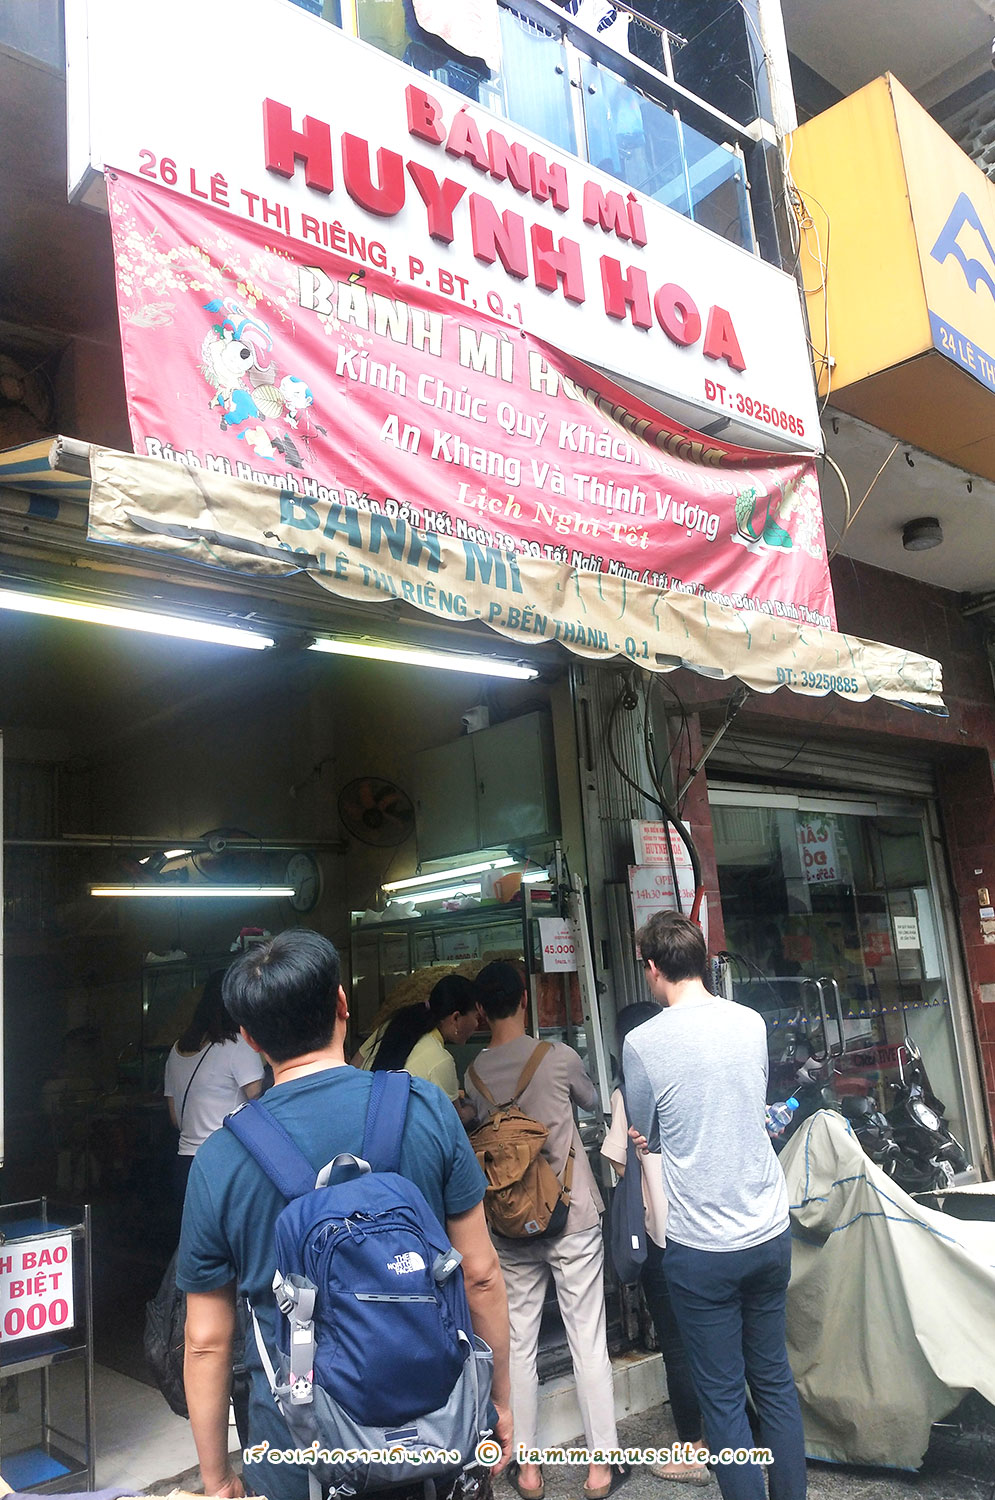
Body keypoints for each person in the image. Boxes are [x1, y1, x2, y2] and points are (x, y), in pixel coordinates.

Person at [177, 929, 511, 1500]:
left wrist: (217, 1479)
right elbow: (480, 1275)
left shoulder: (220, 1158)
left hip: (298, 1458)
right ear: (342, 1003)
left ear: (250, 1037)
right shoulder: (425, 1106)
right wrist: (497, 1402)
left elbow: (206, 1340)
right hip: (439, 1438)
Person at [624, 912, 807, 1500]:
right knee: (774, 1381)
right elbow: (749, 1098)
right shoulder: (749, 1022)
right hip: (768, 1230)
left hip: (701, 1245)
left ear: (654, 968)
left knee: (723, 1399)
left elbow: (647, 1128)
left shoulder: (641, 1042)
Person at [463, 961, 624, 1500]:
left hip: (509, 1226)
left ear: (480, 1010)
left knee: (518, 1347)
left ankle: (527, 1468)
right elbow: (593, 1101)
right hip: (569, 1217)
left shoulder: (474, 1074)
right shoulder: (558, 1057)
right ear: (525, 1001)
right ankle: (600, 1469)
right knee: (588, 1341)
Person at [601, 1002, 708, 1486]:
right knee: (716, 1334)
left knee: (678, 1345)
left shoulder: (629, 1093)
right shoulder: (694, 1078)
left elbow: (618, 1165)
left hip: (664, 1236)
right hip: (710, 1228)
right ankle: (734, 1433)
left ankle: (694, 1448)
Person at [163, 970, 264, 1225]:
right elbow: (260, 1106)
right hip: (225, 1163)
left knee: (196, 1241)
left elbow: (175, 1118)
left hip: (186, 1165)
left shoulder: (177, 1050)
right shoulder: (239, 1045)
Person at [355, 973, 481, 1123]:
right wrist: (473, 1109)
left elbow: (355, 1065)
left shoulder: (392, 1025)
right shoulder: (441, 1060)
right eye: (476, 1017)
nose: (477, 1025)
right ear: (456, 1018)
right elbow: (456, 1119)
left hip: (360, 1121)